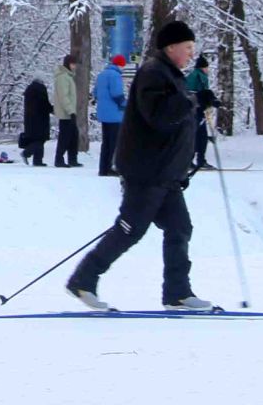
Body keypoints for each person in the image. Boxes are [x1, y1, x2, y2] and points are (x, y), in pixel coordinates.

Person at [66, 21, 215, 313]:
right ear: (171, 47)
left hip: (166, 174)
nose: (190, 55)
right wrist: (194, 100)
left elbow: (177, 121)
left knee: (180, 227)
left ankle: (177, 293)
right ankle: (83, 280)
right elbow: (159, 116)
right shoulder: (152, 73)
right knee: (130, 229)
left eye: (192, 49)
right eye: (187, 48)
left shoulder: (172, 75)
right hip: (146, 172)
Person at [93, 54, 128, 177]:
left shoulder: (102, 75)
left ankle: (103, 168)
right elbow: (117, 94)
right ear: (120, 65)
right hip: (114, 114)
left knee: (106, 142)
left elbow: (95, 92)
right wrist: (125, 104)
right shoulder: (115, 76)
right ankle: (110, 168)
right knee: (114, 143)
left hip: (103, 113)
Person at [183, 54, 218, 170]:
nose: (208, 69)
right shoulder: (198, 77)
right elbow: (199, 94)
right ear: (202, 67)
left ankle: (194, 161)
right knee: (197, 136)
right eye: (206, 67)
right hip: (195, 110)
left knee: (199, 135)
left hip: (197, 109)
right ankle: (197, 160)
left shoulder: (197, 76)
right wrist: (210, 101)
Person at [52, 55, 82, 168]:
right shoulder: (63, 77)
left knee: (73, 136)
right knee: (65, 137)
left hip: (69, 112)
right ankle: (59, 159)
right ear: (68, 64)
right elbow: (64, 96)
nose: (75, 66)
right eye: (73, 64)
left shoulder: (68, 76)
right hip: (66, 113)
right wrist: (70, 110)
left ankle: (72, 159)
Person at [20, 79, 52, 167]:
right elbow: (44, 104)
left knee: (37, 139)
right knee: (40, 139)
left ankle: (38, 160)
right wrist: (52, 109)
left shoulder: (30, 89)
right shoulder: (40, 89)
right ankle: (27, 153)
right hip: (40, 118)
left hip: (30, 119)